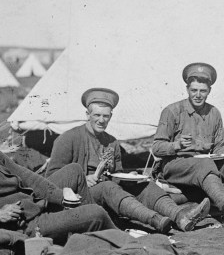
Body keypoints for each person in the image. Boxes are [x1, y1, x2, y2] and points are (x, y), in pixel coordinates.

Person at [0, 96, 117, 244]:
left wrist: (61, 196)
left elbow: (27, 176)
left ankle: (92, 238)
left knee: (74, 171)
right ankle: (121, 242)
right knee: (95, 213)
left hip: (34, 204)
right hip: (25, 223)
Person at [46, 88, 209, 233]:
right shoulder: (68, 138)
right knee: (107, 188)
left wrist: (128, 176)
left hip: (108, 195)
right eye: (96, 115)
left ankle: (180, 217)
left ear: (111, 116)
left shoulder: (112, 141)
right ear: (87, 115)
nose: (101, 120)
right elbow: (51, 179)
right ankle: (155, 220)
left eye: (106, 116)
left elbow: (116, 174)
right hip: (79, 199)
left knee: (144, 185)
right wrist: (81, 179)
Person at [152, 63, 224, 224]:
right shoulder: (172, 111)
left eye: (203, 91)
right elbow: (157, 147)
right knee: (204, 164)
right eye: (194, 90)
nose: (198, 95)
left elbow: (218, 146)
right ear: (187, 89)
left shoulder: (214, 113)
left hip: (205, 164)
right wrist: (177, 145)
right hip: (176, 164)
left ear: (209, 91)